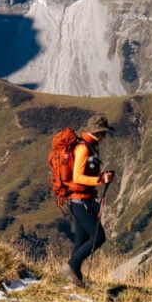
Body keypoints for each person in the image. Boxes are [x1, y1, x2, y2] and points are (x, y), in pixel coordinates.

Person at [62, 115, 114, 286]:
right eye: (104, 133)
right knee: (99, 237)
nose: (105, 137)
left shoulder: (90, 147)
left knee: (81, 239)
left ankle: (74, 279)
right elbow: (77, 177)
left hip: (80, 200)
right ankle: (71, 266)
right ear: (99, 132)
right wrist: (100, 180)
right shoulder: (84, 148)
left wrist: (100, 177)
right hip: (80, 201)